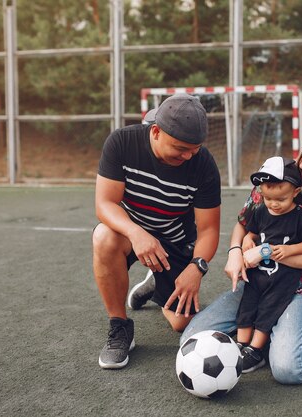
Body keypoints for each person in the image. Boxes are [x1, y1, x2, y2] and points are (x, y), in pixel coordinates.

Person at [181, 126, 302, 384]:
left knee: (288, 370)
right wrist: (235, 252)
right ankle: (269, 329)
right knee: (192, 338)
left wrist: (265, 253)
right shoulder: (275, 174)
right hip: (260, 279)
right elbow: (243, 223)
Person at [93, 93, 221, 369]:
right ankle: (120, 328)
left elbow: (209, 229)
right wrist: (136, 233)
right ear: (155, 131)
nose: (188, 156)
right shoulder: (121, 142)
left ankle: (156, 284)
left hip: (175, 242)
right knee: (104, 236)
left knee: (180, 323)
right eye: (180, 148)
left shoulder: (204, 165)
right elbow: (105, 204)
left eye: (194, 149)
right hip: (130, 234)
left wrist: (196, 268)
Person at [235, 156, 302, 373]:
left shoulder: (301, 217)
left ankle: (255, 350)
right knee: (246, 308)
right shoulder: (261, 210)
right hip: (256, 275)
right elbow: (251, 231)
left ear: (296, 193)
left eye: (280, 199)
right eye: (268, 198)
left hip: (282, 279)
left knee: (267, 311)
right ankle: (240, 345)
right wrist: (246, 239)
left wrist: (290, 249)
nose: (274, 204)